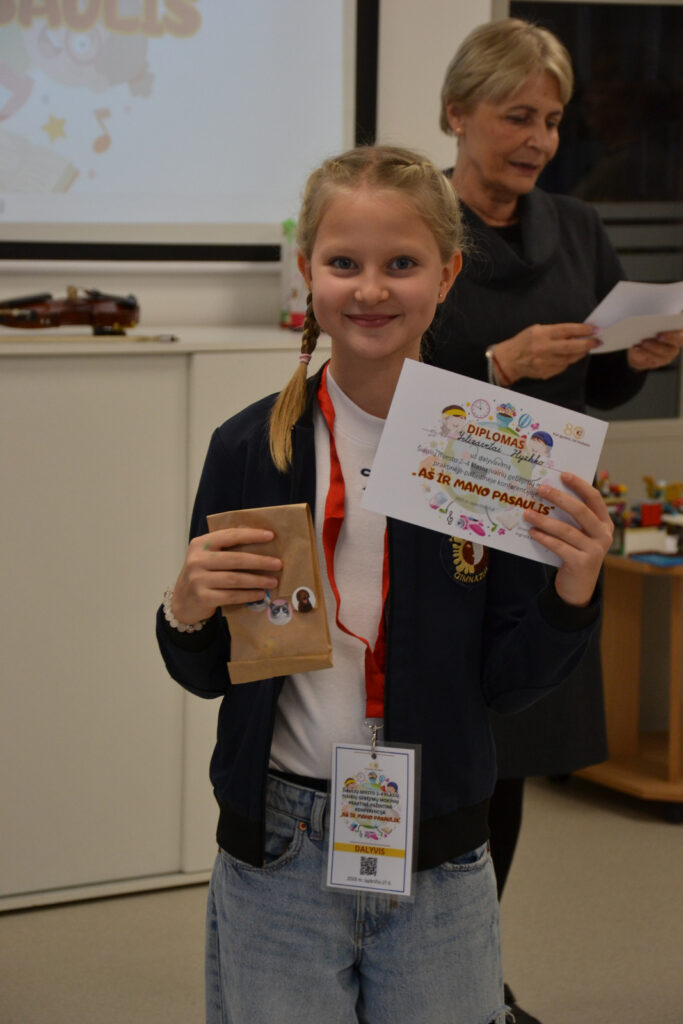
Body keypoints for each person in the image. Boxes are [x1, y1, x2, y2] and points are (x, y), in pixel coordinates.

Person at [156, 144, 613, 1024]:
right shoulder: (250, 447)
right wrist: (184, 608)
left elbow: (510, 684)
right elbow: (208, 672)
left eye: (401, 264)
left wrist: (574, 591)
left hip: (438, 846)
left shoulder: (487, 452)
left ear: (446, 276)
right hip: (276, 845)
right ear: (307, 273)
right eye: (343, 264)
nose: (370, 290)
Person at [434, 18, 683, 1023]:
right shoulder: (410, 225)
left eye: (550, 120)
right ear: (455, 115)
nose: (537, 139)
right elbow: (370, 384)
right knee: (436, 764)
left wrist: (633, 360)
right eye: (515, 116)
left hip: (538, 532)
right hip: (438, 528)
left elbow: (593, 384)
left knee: (507, 767)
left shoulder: (576, 228)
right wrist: (497, 365)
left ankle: (471, 979)